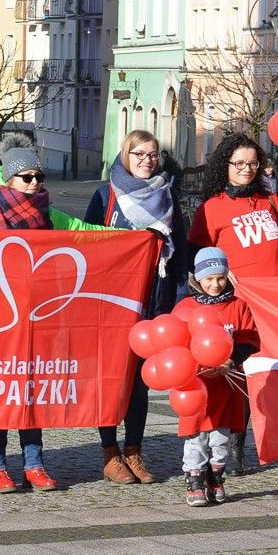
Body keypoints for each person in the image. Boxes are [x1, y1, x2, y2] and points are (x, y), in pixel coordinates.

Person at [0, 134, 108, 492]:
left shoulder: (49, 215)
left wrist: (133, 237)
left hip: (39, 318)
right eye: (27, 178)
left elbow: (88, 233)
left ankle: (34, 463)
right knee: (2, 393)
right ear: (8, 180)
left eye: (39, 177)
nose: (35, 184)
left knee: (33, 392)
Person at [187, 132, 278, 476]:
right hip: (239, 307)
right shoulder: (212, 208)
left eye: (253, 163)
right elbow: (198, 260)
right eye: (239, 164)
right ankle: (236, 449)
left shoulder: (268, 200)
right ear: (226, 166)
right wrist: (219, 274)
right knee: (242, 377)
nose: (247, 170)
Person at [84, 130, 187, 485]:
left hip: (153, 301)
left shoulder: (168, 195)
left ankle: (134, 451)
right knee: (112, 380)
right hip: (112, 304)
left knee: (140, 385)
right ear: (126, 155)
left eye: (153, 154)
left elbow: (181, 254)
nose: (147, 160)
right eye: (139, 153)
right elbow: (87, 247)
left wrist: (176, 302)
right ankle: (110, 452)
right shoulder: (105, 195)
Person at [171, 248, 259, 506]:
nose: (215, 284)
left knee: (221, 438)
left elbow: (250, 340)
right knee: (196, 436)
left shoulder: (238, 306)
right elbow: (175, 344)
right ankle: (194, 480)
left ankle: (216, 477)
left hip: (227, 384)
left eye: (220, 277)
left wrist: (231, 360)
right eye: (208, 278)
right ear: (198, 278)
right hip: (195, 387)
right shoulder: (185, 307)